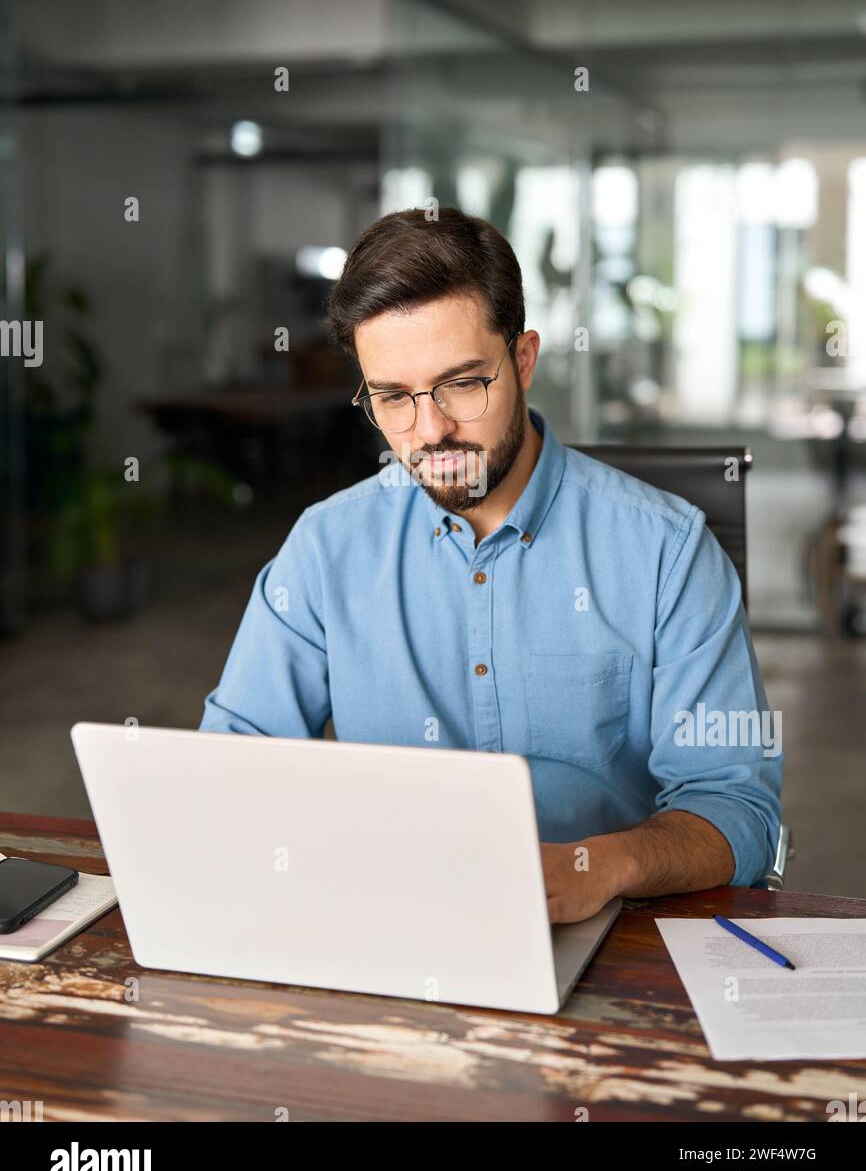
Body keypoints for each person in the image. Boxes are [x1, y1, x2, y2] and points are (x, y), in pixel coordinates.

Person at [200, 207, 782, 923]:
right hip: (390, 923)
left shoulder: (667, 550)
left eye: (462, 383)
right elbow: (232, 771)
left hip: (607, 931)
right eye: (393, 397)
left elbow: (738, 811)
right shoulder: (327, 548)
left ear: (525, 359)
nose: (431, 429)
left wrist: (606, 864)